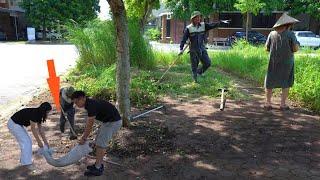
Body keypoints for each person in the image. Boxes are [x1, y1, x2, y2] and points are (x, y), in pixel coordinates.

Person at [71, 91, 122, 176]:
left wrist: (84, 138)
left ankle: (98, 168)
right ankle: (98, 164)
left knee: (101, 144)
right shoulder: (89, 104)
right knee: (98, 142)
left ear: (83, 98)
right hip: (108, 122)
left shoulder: (91, 105)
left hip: (113, 122)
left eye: (76, 102)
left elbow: (89, 125)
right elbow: (90, 123)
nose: (76, 105)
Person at [179, 11, 228, 83]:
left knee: (207, 63)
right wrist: (181, 49)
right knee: (194, 66)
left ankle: (199, 73)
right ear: (193, 19)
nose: (199, 18)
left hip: (202, 49)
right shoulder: (188, 28)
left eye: (199, 17)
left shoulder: (203, 25)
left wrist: (221, 22)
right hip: (193, 50)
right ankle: (195, 80)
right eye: (197, 17)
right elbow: (183, 40)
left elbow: (212, 25)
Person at [264, 13, 300, 111]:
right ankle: (283, 104)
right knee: (286, 82)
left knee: (270, 81)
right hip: (287, 62)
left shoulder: (272, 34)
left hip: (273, 61)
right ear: (288, 24)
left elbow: (266, 48)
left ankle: (267, 103)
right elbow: (295, 49)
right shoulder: (290, 34)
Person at [7, 102, 52, 171]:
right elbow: (33, 129)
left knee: (28, 141)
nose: (48, 114)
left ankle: (26, 159)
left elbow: (40, 130)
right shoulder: (35, 114)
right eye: (48, 112)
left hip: (18, 124)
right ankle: (27, 163)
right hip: (13, 123)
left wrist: (46, 143)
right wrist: (39, 142)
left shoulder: (40, 114)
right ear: (44, 111)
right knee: (26, 142)